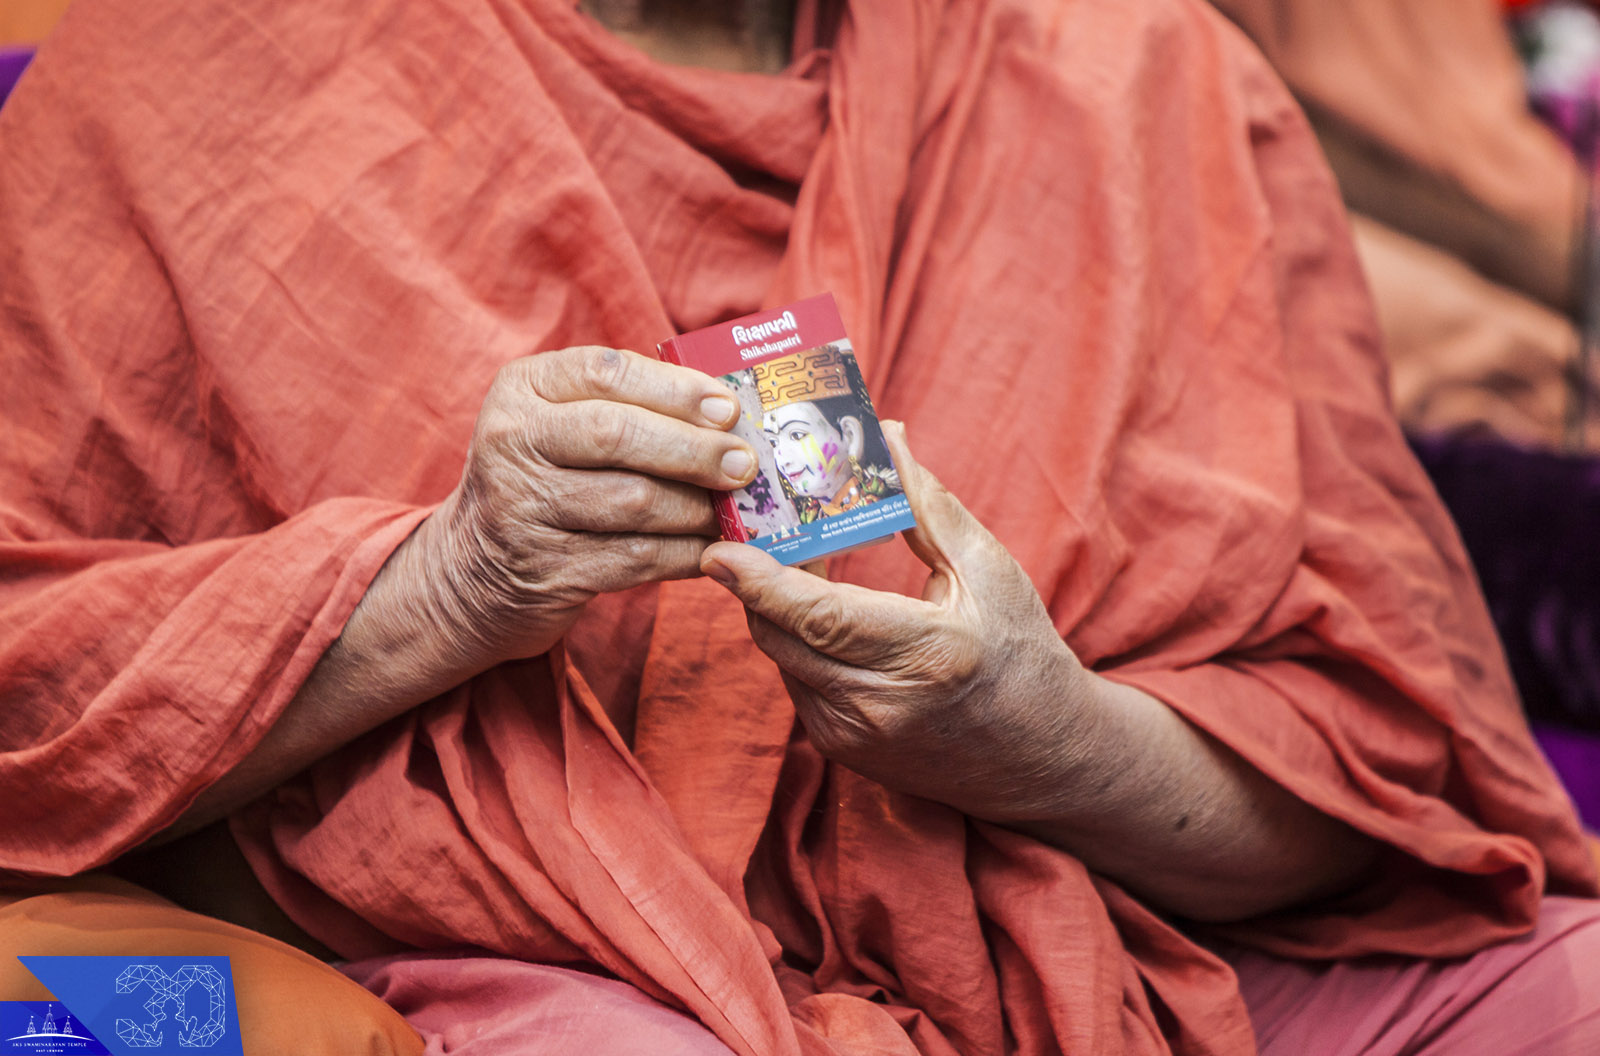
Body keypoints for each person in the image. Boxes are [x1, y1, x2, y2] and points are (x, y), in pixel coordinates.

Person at [2, 1, 1598, 1054]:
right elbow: (30, 682)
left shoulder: (1132, 63)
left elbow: (1393, 786)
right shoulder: (199, 64)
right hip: (555, 964)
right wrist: (449, 582)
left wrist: (1047, 743)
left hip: (1122, 933)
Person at [752, 343, 902, 522]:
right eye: (773, 442)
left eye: (797, 435)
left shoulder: (888, 504)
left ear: (849, 435)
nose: (783, 460)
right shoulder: (801, 520)